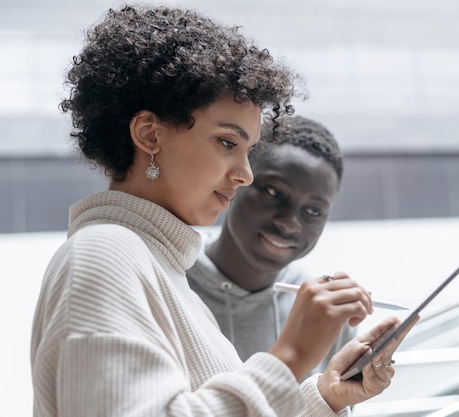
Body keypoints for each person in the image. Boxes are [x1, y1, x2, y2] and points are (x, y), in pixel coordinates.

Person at [30, 5, 413, 417]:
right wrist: (290, 357)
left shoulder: (159, 266)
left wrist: (323, 397)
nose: (245, 174)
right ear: (148, 132)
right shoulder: (106, 256)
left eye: (248, 151)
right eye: (228, 143)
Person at [186, 115, 355, 376]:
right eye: (274, 193)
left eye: (313, 211)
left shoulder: (324, 311)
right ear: (237, 182)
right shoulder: (170, 280)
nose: (289, 223)